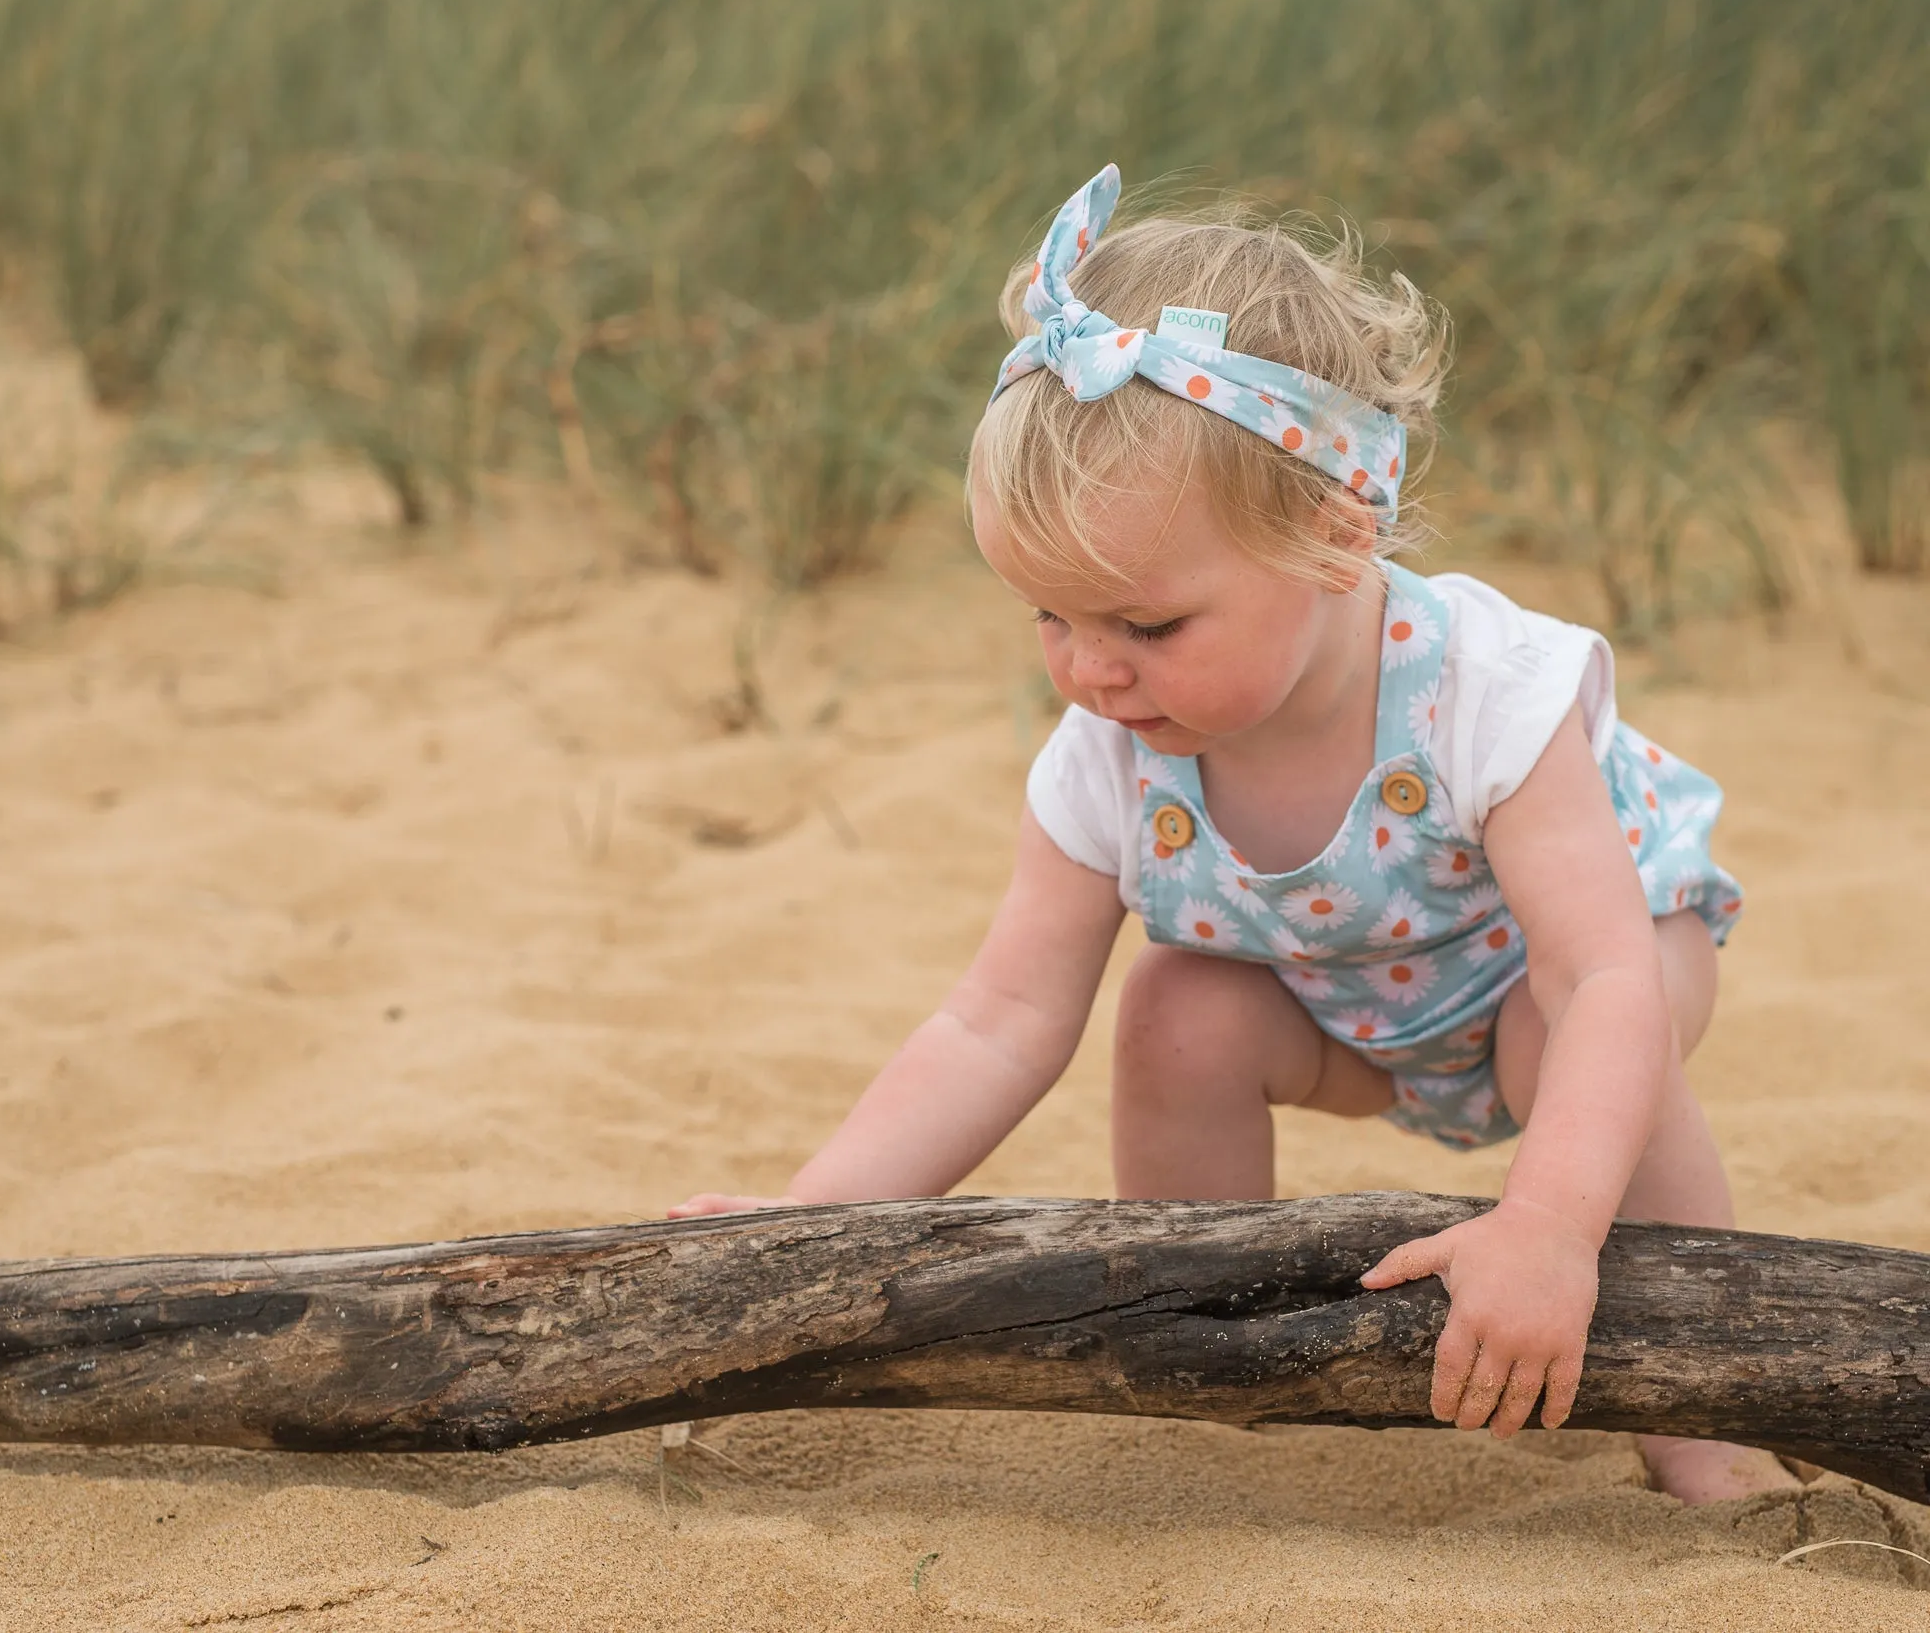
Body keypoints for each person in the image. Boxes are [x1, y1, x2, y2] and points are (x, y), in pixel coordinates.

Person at [669, 166, 1796, 1505]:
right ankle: (1218, 1333)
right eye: (1048, 616)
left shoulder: (1485, 692)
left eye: (1146, 625)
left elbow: (1605, 972)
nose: (1091, 669)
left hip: (1569, 979)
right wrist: (807, 1229)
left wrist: (1548, 1228)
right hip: (1350, 1015)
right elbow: (998, 1019)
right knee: (1178, 1007)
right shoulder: (1109, 754)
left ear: (1336, 537)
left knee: (1574, 1038)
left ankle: (1704, 1420)